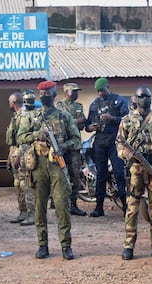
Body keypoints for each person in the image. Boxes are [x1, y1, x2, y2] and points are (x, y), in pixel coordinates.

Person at [16, 80, 81, 260]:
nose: (45, 96)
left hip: (57, 165)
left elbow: (76, 139)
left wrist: (62, 145)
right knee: (39, 207)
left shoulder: (64, 116)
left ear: (54, 94)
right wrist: (38, 135)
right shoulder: (32, 116)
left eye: (48, 93)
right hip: (37, 166)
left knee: (62, 206)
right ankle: (42, 245)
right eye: (42, 94)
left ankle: (66, 246)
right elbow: (20, 137)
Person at [117, 87, 152, 260]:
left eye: (147, 96)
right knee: (132, 208)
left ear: (151, 98)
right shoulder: (126, 121)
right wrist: (128, 154)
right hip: (136, 169)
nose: (143, 99)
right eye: (140, 96)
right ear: (135, 98)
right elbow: (119, 145)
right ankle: (128, 246)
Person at [85, 77, 129, 217]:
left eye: (102, 90)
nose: (100, 94)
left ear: (108, 87)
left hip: (115, 142)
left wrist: (112, 119)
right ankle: (99, 208)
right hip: (99, 142)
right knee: (100, 175)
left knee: (119, 174)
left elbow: (128, 120)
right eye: (98, 91)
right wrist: (90, 127)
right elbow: (87, 125)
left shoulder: (119, 101)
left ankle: (126, 207)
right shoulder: (94, 105)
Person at [55, 82, 87, 216]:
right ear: (66, 92)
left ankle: (74, 204)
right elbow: (60, 123)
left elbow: (82, 125)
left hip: (74, 147)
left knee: (75, 175)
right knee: (61, 176)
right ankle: (60, 205)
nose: (76, 94)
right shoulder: (58, 106)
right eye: (73, 91)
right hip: (61, 146)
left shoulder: (79, 106)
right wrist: (75, 121)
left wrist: (77, 122)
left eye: (77, 91)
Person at [6, 91, 35, 226]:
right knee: (18, 185)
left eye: (9, 102)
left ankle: (31, 214)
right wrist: (9, 158)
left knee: (26, 184)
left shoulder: (24, 116)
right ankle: (23, 212)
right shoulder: (16, 116)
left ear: (13, 103)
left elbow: (24, 140)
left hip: (22, 154)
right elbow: (13, 141)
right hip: (14, 153)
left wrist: (19, 156)